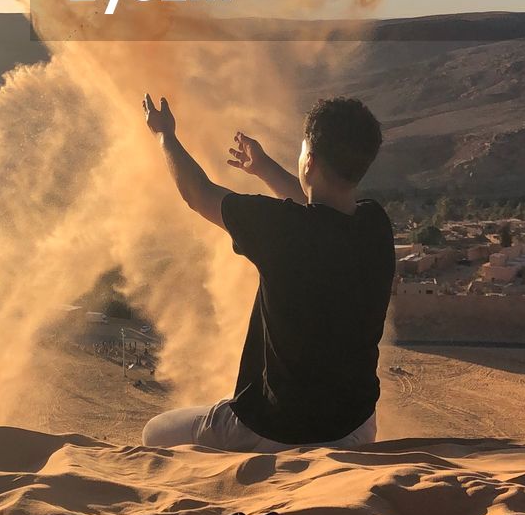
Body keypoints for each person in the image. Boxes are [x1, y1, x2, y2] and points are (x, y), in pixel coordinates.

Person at [139, 93, 394, 452]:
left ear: (310, 161)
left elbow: (197, 193)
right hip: (355, 428)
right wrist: (263, 168)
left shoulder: (281, 230)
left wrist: (164, 135)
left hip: (273, 430)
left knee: (156, 432)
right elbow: (319, 213)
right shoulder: (375, 224)